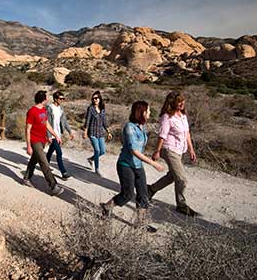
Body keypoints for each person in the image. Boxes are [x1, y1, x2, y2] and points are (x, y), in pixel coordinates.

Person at [100, 101, 164, 230]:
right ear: (142, 112)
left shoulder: (142, 127)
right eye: (148, 111)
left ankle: (141, 223)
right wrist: (152, 163)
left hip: (138, 165)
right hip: (125, 165)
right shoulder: (129, 127)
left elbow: (140, 149)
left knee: (143, 194)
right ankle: (107, 207)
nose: (150, 113)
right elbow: (134, 150)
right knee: (127, 194)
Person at [147, 91, 199, 217]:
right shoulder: (167, 116)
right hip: (169, 149)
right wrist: (157, 151)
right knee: (181, 179)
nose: (182, 103)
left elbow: (187, 133)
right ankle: (181, 205)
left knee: (172, 176)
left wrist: (191, 149)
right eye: (179, 101)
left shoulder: (182, 116)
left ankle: (151, 189)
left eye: (183, 101)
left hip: (180, 150)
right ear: (172, 103)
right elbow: (162, 135)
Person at [23, 91, 64, 196]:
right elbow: (28, 129)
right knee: (44, 162)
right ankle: (53, 186)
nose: (47, 98)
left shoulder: (44, 110)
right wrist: (28, 146)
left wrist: (55, 135)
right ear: (43, 99)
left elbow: (46, 124)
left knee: (34, 160)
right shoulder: (32, 111)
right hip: (34, 140)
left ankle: (26, 178)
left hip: (42, 140)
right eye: (46, 97)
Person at [46, 91, 75, 180]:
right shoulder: (49, 108)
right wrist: (49, 135)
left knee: (51, 150)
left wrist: (70, 131)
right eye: (60, 99)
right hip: (52, 134)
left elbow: (64, 121)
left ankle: (45, 164)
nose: (62, 100)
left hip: (58, 134)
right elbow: (46, 122)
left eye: (63, 98)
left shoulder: (61, 109)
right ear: (55, 99)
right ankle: (63, 172)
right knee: (59, 152)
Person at [83, 91, 112, 176]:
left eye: (96, 98)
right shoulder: (91, 108)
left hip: (100, 133)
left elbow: (104, 122)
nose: (94, 100)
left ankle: (91, 159)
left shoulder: (102, 109)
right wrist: (85, 132)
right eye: (93, 98)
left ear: (99, 99)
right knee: (97, 150)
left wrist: (108, 132)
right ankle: (97, 169)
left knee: (102, 151)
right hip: (92, 132)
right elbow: (87, 121)